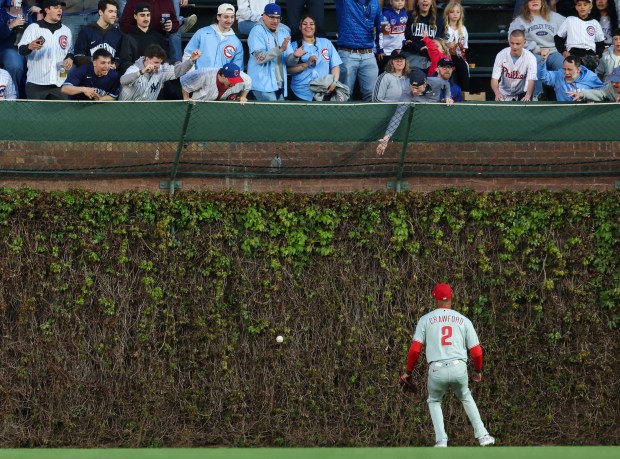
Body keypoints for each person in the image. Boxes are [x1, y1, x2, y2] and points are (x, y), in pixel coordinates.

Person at [398, 283, 495, 448]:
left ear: (435, 298)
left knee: (434, 400)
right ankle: (483, 435)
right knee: (465, 396)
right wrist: (477, 371)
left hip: (436, 370)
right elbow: (477, 352)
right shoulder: (463, 319)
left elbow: (415, 350)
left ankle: (441, 440)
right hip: (459, 368)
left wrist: (408, 371)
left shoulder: (426, 319)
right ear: (451, 297)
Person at [376, 67, 452, 156]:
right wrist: (386, 138)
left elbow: (446, 84)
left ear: (424, 84)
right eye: (412, 87)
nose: (414, 91)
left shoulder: (436, 82)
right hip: (420, 118)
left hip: (436, 114)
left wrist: (448, 96)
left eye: (417, 88)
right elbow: (397, 117)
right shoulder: (406, 95)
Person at [508, 0, 566, 99]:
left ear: (543, 2)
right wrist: (536, 49)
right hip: (533, 54)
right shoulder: (519, 21)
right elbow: (512, 39)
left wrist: (563, 49)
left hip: (554, 52)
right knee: (535, 61)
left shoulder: (557, 18)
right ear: (526, 3)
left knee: (562, 63)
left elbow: (570, 33)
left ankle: (565, 94)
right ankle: (538, 95)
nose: (534, 1)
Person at [17, 0, 73, 100]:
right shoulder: (33, 28)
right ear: (47, 10)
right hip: (36, 84)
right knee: (35, 115)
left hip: (59, 84)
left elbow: (70, 51)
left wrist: (69, 58)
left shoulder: (66, 30)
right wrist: (30, 46)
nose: (60, 10)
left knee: (61, 115)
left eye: (60, 8)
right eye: (56, 8)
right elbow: (21, 50)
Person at [247, 3, 301, 101]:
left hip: (279, 85)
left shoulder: (284, 32)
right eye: (271, 17)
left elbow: (289, 61)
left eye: (278, 18)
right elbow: (259, 58)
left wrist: (295, 56)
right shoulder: (256, 31)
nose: (275, 21)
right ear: (263, 16)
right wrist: (279, 49)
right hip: (262, 85)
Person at [287, 15, 345, 101]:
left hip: (324, 90)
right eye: (304, 24)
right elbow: (288, 70)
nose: (308, 26)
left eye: (311, 24)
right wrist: (307, 64)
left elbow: (335, 66)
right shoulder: (293, 46)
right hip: (301, 92)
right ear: (300, 27)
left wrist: (334, 82)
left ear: (315, 27)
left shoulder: (326, 43)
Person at [335, 0, 382, 101]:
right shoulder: (344, 2)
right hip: (347, 53)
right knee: (344, 95)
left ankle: (370, 117)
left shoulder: (374, 2)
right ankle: (344, 117)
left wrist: (379, 48)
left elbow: (380, 25)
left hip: (369, 54)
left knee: (372, 95)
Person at [118, 43, 199, 100]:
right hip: (126, 110)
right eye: (156, 62)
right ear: (147, 59)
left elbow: (179, 70)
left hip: (146, 111)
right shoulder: (134, 69)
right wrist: (142, 72)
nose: (158, 65)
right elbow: (123, 80)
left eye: (160, 62)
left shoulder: (161, 70)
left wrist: (191, 60)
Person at [182, 3, 244, 70]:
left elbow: (237, 68)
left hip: (222, 80)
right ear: (218, 17)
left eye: (232, 17)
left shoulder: (236, 42)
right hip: (200, 78)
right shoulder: (202, 33)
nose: (229, 20)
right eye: (226, 17)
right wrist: (192, 76)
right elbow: (187, 55)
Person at [116, 3, 169, 75]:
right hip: (137, 77)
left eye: (148, 15)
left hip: (156, 76)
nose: (146, 18)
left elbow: (164, 60)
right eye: (142, 15)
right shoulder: (128, 38)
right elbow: (125, 62)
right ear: (135, 16)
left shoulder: (158, 37)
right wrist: (142, 71)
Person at [1, 0, 39, 98]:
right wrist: (11, 25)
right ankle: (13, 98)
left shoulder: (29, 10)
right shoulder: (2, 11)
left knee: (42, 62)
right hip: (10, 48)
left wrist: (40, 13)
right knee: (15, 66)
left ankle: (37, 99)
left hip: (31, 48)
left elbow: (42, 32)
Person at [554, 0, 605, 70]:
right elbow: (558, 38)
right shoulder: (570, 20)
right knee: (572, 77)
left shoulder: (595, 23)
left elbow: (600, 43)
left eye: (585, 4)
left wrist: (597, 55)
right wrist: (564, 52)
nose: (582, 7)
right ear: (576, 7)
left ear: (590, 6)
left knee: (588, 78)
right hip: (573, 53)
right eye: (579, 5)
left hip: (589, 54)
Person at [491, 29, 538, 101]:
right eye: (512, 43)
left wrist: (528, 95)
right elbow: (494, 79)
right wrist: (497, 93)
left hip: (522, 93)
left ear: (524, 43)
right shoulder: (501, 55)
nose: (514, 46)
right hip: (503, 93)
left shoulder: (531, 58)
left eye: (518, 43)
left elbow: (531, 80)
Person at [73, 0, 122, 67]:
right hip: (90, 73)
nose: (114, 15)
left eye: (115, 12)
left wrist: (115, 64)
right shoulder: (86, 31)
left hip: (109, 74)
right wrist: (97, 60)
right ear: (100, 12)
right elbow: (77, 58)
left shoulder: (118, 34)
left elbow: (120, 58)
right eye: (110, 11)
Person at [401, 0, 444, 73]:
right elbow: (407, 41)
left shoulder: (439, 19)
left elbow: (439, 41)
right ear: (417, 2)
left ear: (431, 2)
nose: (425, 0)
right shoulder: (408, 16)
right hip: (413, 57)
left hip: (432, 57)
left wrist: (429, 49)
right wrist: (422, 49)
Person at [538, 53, 604, 100]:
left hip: (584, 111)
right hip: (563, 110)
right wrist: (543, 61)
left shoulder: (590, 77)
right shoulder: (558, 75)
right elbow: (543, 77)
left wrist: (591, 97)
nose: (566, 73)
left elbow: (602, 91)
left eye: (569, 69)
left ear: (578, 69)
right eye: (564, 69)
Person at [180, 62, 251, 102]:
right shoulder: (204, 74)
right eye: (232, 81)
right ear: (223, 75)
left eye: (236, 80)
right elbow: (185, 84)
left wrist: (243, 96)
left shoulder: (244, 77)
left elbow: (248, 82)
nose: (234, 83)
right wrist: (186, 100)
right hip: (198, 101)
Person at [443, 0, 469, 91]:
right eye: (452, 12)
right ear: (447, 13)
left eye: (458, 12)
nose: (455, 14)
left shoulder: (463, 29)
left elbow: (464, 47)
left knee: (463, 67)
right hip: (446, 56)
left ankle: (464, 93)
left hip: (459, 57)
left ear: (461, 14)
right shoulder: (444, 28)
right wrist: (447, 45)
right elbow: (439, 44)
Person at [378, 0, 407, 74]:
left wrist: (404, 40)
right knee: (385, 74)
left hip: (397, 51)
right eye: (397, 0)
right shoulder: (386, 15)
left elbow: (403, 30)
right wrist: (380, 49)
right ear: (391, 2)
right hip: (386, 52)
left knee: (395, 74)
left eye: (402, 0)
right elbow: (382, 33)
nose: (400, 2)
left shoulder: (404, 13)